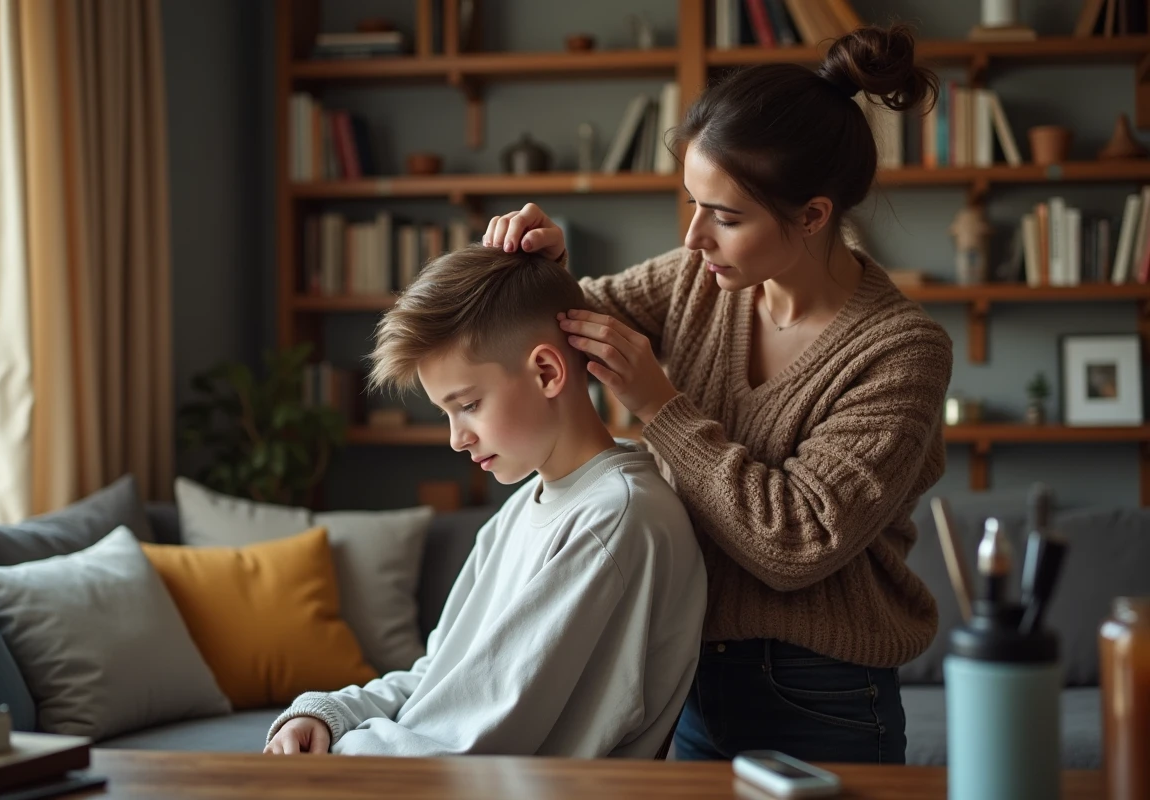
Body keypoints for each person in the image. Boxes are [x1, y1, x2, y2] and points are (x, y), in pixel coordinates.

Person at [483, 23, 951, 764]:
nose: (695, 237)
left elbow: (799, 543)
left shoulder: (901, 351)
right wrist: (546, 268)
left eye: (727, 218)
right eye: (692, 204)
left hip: (822, 695)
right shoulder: (699, 279)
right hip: (685, 673)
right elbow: (567, 329)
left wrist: (662, 409)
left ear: (814, 215)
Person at [264, 244, 707, 758]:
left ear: (547, 372)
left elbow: (472, 740)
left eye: (469, 405)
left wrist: (327, 764)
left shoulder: (615, 520)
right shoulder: (522, 508)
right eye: (447, 413)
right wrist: (331, 715)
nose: (457, 438)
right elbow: (441, 675)